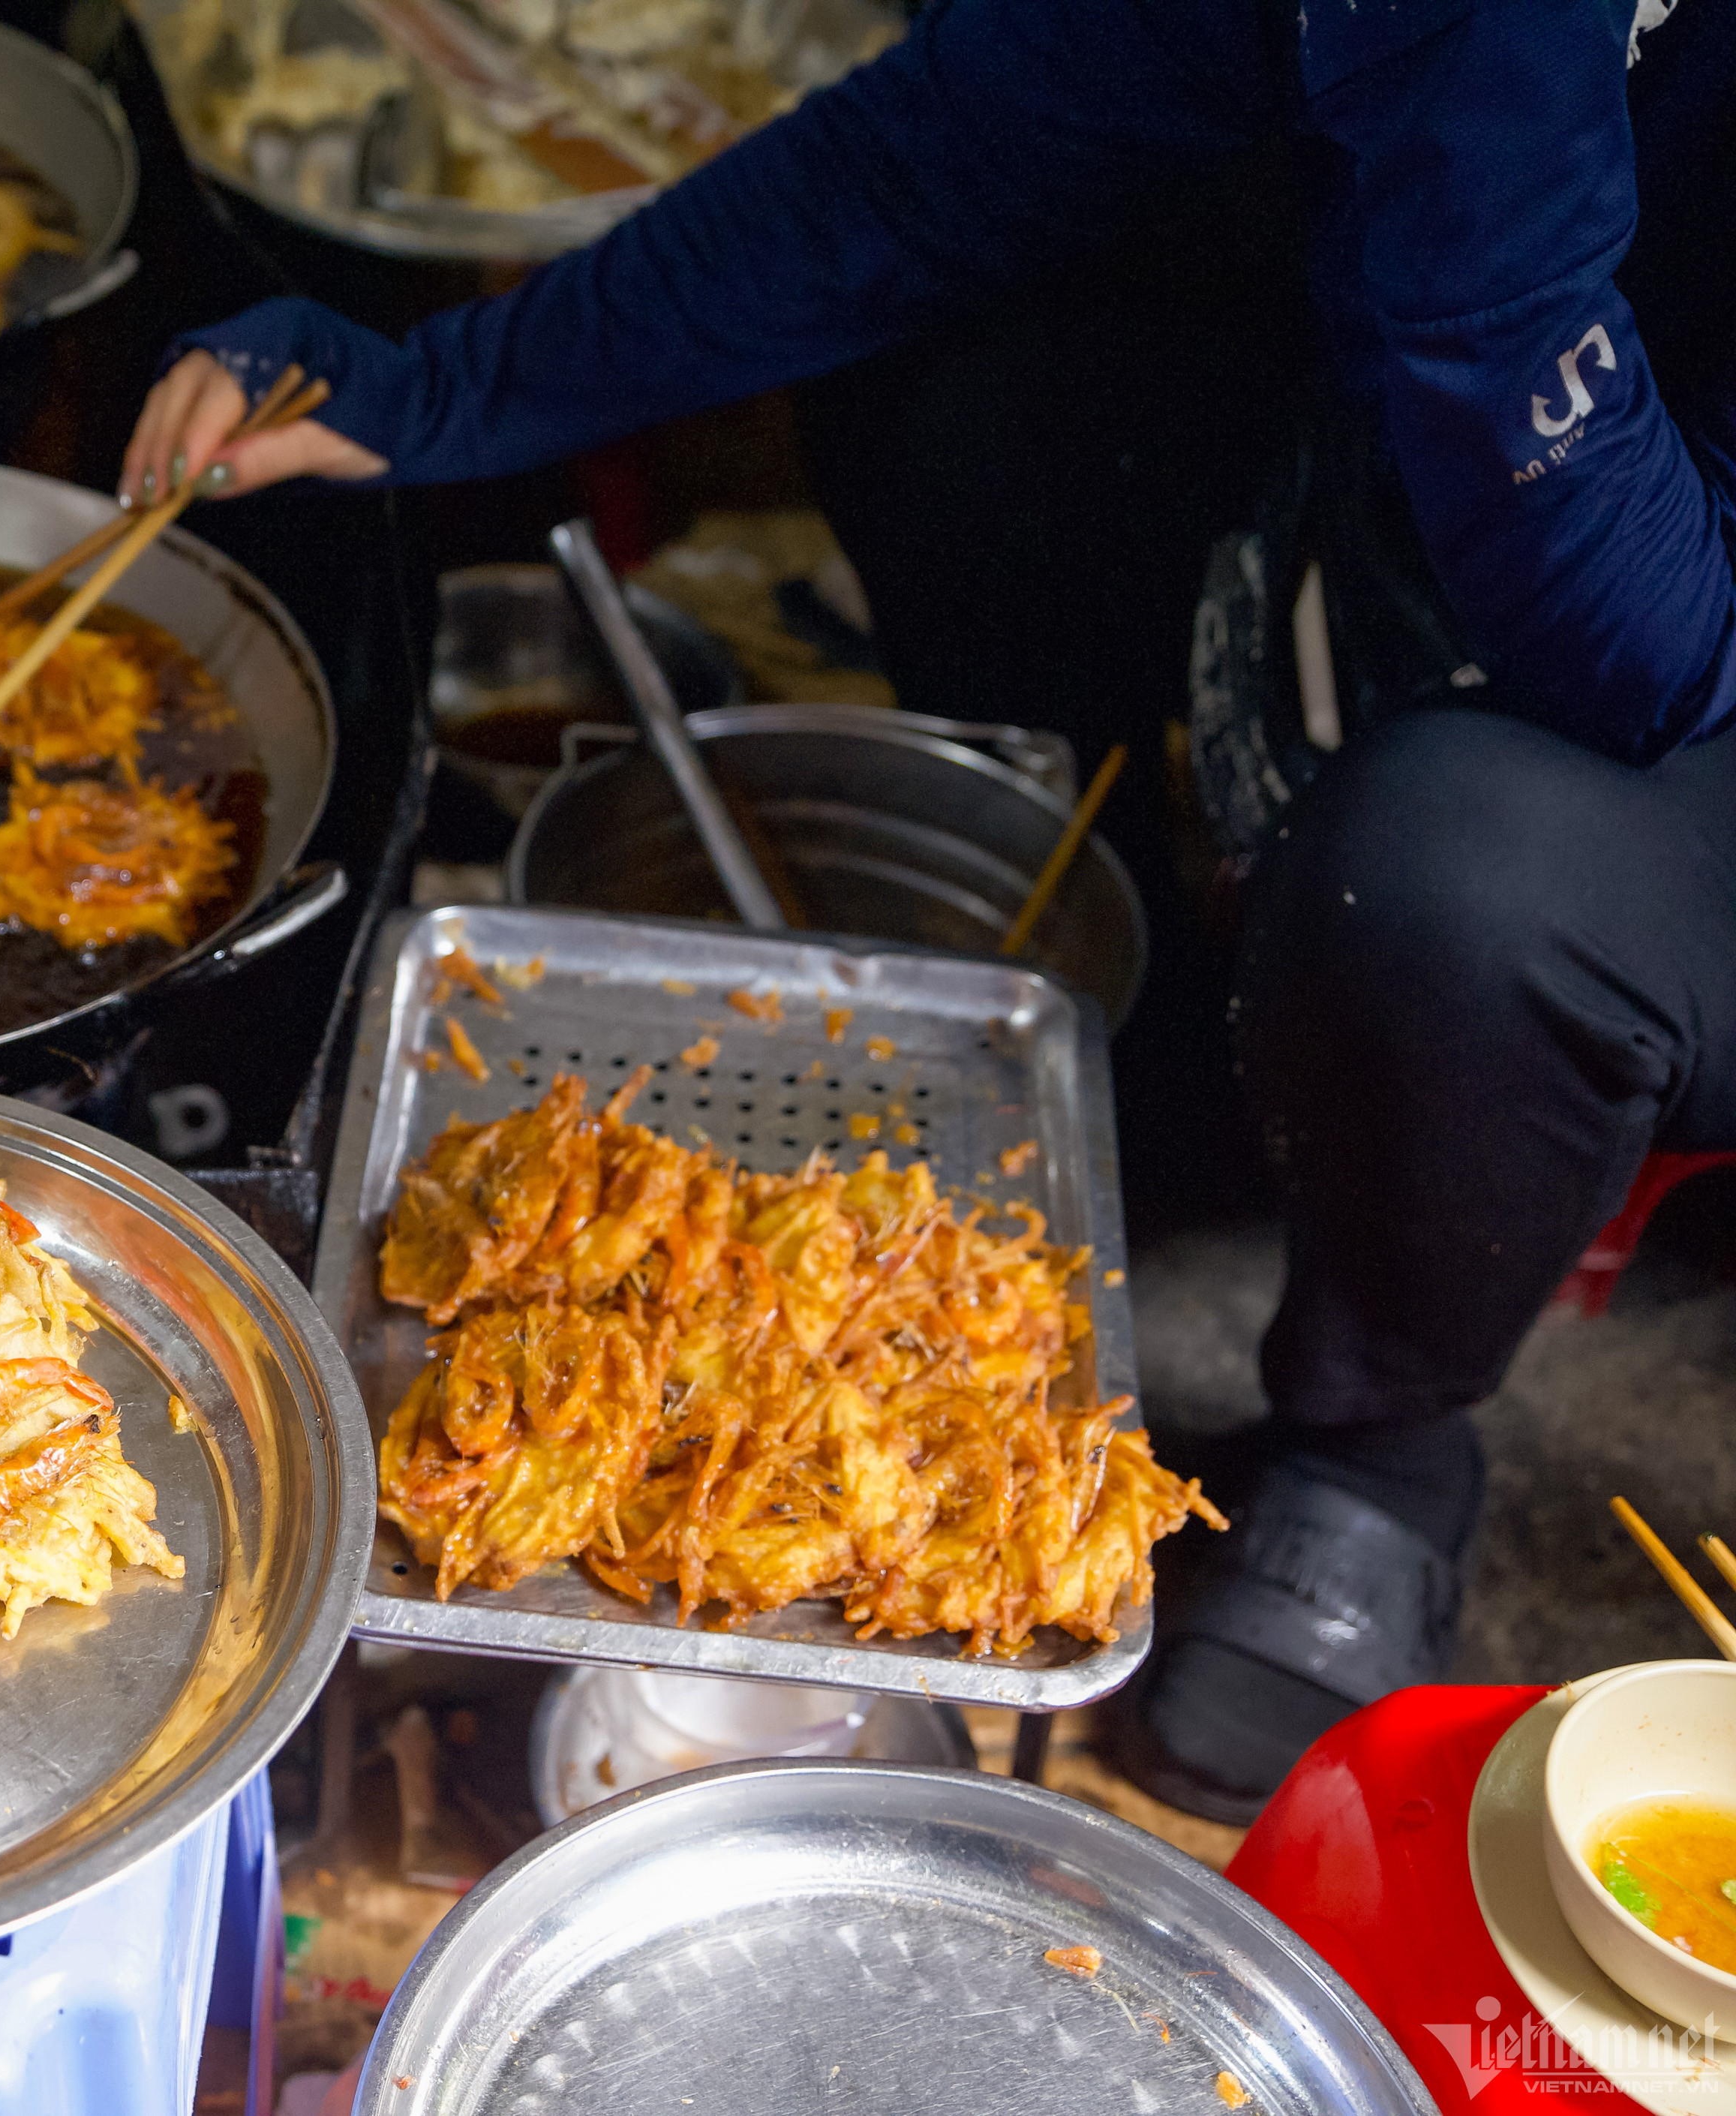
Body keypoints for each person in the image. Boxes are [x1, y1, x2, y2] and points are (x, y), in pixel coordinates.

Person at [128, 0, 1736, 1817]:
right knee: (965, 387)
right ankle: (1173, 1037)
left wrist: (1490, 125)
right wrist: (442, 390)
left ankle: (1380, 1435)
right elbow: (933, 166)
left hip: (1680, 667)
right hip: (1479, 392)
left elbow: (1657, 666)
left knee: (1458, 869)